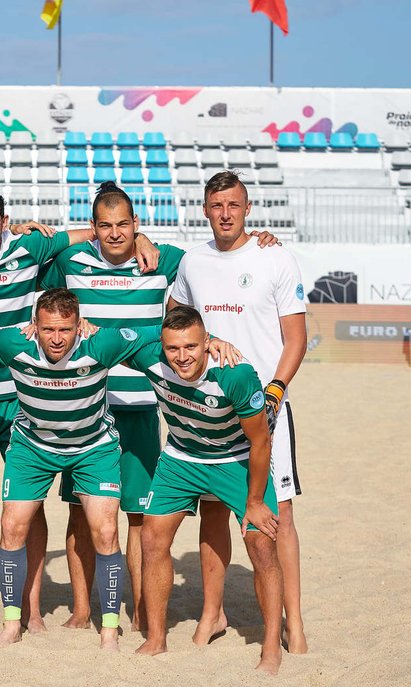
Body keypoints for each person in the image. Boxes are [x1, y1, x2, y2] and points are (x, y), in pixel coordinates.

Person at [0, 184, 159, 634]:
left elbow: (95, 233)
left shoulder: (29, 246)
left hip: (23, 398)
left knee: (30, 506)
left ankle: (30, 608)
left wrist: (141, 238)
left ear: (5, 222)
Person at [40, 182, 278, 632]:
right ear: (93, 228)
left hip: (142, 405)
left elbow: (219, 258)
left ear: (137, 225)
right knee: (80, 510)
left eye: (124, 226)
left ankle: (139, 612)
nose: (115, 234)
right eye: (105, 226)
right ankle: (82, 609)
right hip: (86, 405)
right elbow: (47, 300)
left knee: (139, 515)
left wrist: (261, 240)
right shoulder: (69, 261)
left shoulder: (164, 259)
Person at [0, 288, 159, 650]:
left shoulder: (101, 343)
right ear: (34, 326)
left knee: (105, 531)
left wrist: (212, 340)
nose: (56, 339)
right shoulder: (13, 342)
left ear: (79, 326)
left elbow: (157, 330)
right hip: (33, 446)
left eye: (65, 330)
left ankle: (109, 628)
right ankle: (12, 622)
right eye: (48, 330)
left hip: (93, 447)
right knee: (11, 526)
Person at [168, 170, 308, 654]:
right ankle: (214, 612)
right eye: (216, 205)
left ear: (247, 209)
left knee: (279, 516)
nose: (225, 214)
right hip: (206, 409)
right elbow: (175, 322)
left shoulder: (274, 256)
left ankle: (294, 622)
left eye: (234, 205)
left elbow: (297, 339)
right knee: (211, 514)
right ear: (205, 209)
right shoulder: (192, 261)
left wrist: (273, 391)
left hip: (264, 408)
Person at [130, 306, 284, 675]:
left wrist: (256, 502)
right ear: (161, 346)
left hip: (236, 458)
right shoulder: (149, 354)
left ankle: (271, 648)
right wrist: (84, 325)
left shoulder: (236, 374)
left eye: (191, 347)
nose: (182, 357)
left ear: (207, 343)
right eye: (173, 349)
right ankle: (156, 638)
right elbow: (103, 335)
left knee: (262, 544)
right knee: (151, 539)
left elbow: (261, 441)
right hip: (181, 458)